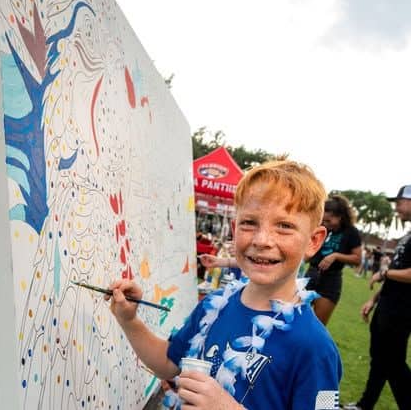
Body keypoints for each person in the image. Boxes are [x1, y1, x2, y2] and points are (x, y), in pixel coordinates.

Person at [106, 160, 342, 410]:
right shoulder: (213, 306)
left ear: (314, 241)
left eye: (284, 226)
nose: (262, 240)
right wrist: (129, 320)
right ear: (234, 228)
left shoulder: (318, 348)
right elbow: (168, 363)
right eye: (249, 222)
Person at [343, 185, 411, 410]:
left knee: (394, 363)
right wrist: (374, 300)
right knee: (380, 359)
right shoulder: (407, 236)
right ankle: (365, 405)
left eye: (400, 202)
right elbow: (398, 272)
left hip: (402, 311)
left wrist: (384, 273)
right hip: (388, 306)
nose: (396, 207)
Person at [305, 195, 362, 325]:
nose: (325, 223)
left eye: (328, 220)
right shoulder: (321, 228)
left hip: (330, 281)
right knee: (294, 318)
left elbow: (357, 259)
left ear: (340, 217)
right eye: (323, 220)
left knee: (317, 325)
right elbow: (309, 253)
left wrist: (336, 255)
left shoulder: (351, 232)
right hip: (310, 275)